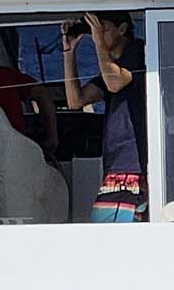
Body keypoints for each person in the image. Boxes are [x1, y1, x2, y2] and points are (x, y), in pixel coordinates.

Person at [61, 11, 148, 222]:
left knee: (104, 230)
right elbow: (76, 100)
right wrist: (69, 53)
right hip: (119, 164)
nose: (97, 34)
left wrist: (98, 41)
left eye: (103, 28)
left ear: (122, 29)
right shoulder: (113, 66)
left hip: (131, 164)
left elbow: (115, 82)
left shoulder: (138, 53)